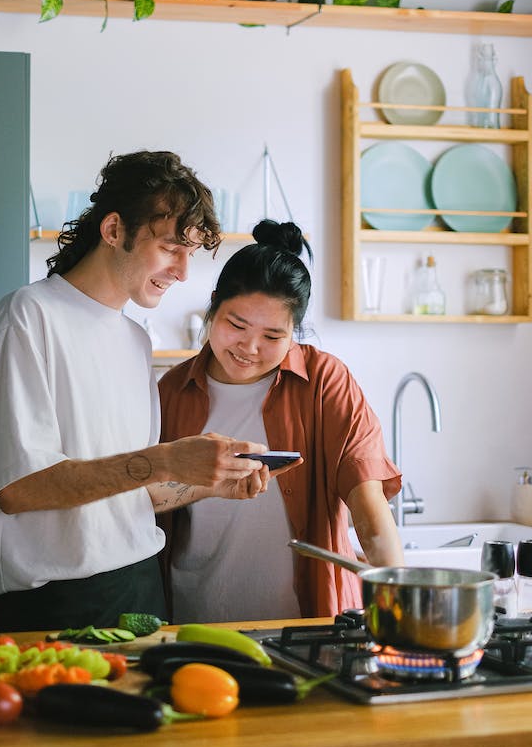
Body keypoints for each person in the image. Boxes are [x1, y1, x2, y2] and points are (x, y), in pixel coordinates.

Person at [0, 150, 271, 632]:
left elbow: (134, 490)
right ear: (113, 231)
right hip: (56, 605)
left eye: (190, 254)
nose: (182, 272)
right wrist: (169, 459)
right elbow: (18, 488)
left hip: (140, 588)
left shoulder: (135, 339)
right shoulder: (27, 317)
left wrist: (210, 482)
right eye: (172, 248)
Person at [158, 219, 404, 622]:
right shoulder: (172, 391)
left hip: (306, 622)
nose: (249, 348)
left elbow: (366, 499)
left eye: (273, 336)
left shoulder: (324, 381)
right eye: (236, 325)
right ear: (213, 304)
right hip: (193, 613)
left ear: (295, 333)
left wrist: (400, 593)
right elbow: (147, 500)